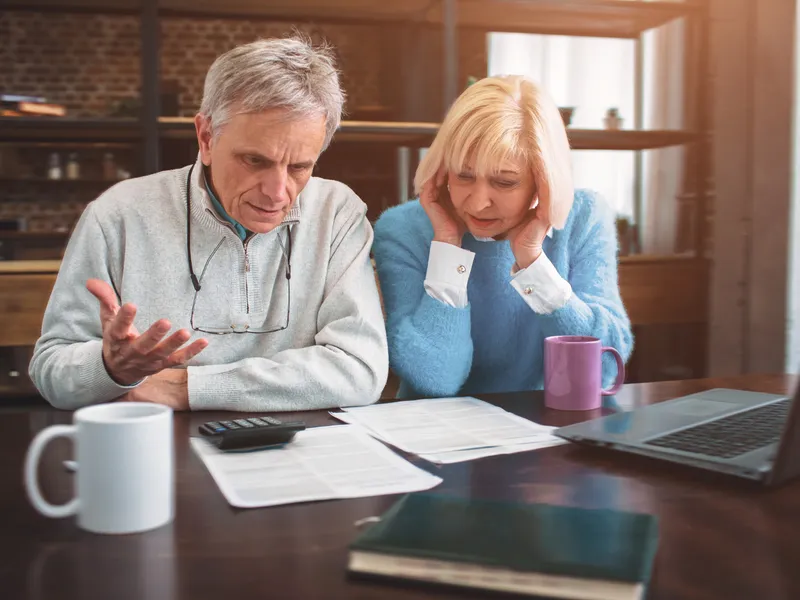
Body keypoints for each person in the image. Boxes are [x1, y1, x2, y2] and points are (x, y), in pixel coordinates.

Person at [29, 35, 388, 412]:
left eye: (299, 167)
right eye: (254, 160)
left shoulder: (336, 211)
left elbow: (359, 371)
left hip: (301, 450)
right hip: (158, 450)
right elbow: (52, 372)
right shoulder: (118, 214)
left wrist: (183, 387)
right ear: (206, 137)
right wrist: (109, 369)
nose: (278, 192)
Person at [372, 75, 633, 398]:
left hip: (547, 428)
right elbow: (433, 379)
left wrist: (533, 261)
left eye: (505, 182)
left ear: (543, 180)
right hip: (437, 435)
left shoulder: (584, 217)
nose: (479, 202)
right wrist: (447, 249)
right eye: (464, 176)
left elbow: (605, 368)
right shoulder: (402, 230)